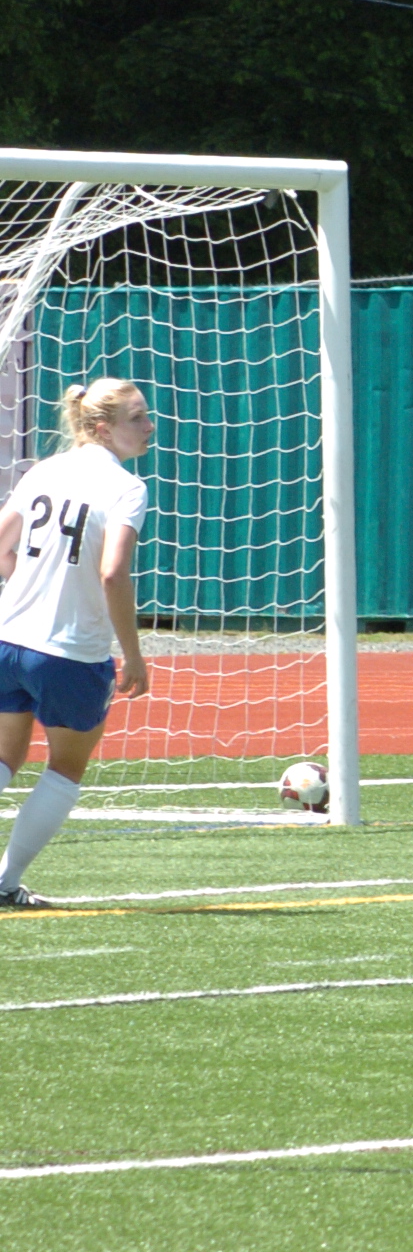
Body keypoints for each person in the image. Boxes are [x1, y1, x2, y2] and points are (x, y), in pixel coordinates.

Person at [0, 379, 156, 909]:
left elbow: (1, 545)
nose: (149, 427)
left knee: (4, 756)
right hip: (69, 652)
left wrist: (31, 585)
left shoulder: (44, 470)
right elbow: (113, 573)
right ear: (102, 428)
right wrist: (132, 655)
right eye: (138, 418)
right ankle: (5, 883)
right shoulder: (126, 487)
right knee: (65, 768)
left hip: (8, 639)